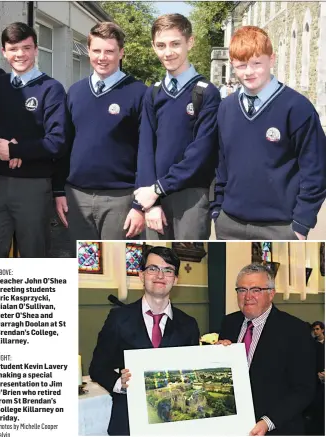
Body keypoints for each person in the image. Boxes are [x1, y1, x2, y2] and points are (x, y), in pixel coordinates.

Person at [212, 26, 326, 240]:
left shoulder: (297, 108)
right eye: (241, 65)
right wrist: (217, 208)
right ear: (233, 65)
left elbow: (316, 169)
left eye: (257, 63)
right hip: (229, 223)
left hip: (280, 227)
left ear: (271, 59)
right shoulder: (226, 108)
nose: (248, 72)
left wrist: (302, 223)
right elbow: (220, 163)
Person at [0, 22, 68, 258]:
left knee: (33, 256)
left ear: (36, 50)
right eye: (13, 49)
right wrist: (4, 143)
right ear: (4, 53)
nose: (20, 54)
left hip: (33, 186)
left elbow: (57, 141)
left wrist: (18, 151)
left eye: (26, 48)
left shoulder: (52, 89)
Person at [89, 246, 200, 435]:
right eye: (153, 269)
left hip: (173, 422)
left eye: (168, 270)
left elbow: (193, 373)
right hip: (128, 421)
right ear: (141, 276)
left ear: (176, 279)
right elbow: (97, 367)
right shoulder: (118, 319)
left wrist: (222, 354)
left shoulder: (189, 324)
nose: (160, 275)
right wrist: (119, 384)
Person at [52, 22, 146, 240]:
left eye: (109, 51)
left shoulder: (139, 93)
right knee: (83, 268)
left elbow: (146, 152)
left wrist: (139, 205)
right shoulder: (75, 92)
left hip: (120, 199)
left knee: (116, 263)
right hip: (76, 197)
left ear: (121, 52)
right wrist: (59, 190)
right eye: (96, 50)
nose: (102, 57)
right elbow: (64, 145)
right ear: (89, 51)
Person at [134, 14, 220, 240]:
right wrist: (150, 201)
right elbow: (145, 148)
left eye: (175, 44)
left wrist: (158, 189)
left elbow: (200, 153)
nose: (168, 52)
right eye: (161, 45)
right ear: (153, 47)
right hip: (155, 199)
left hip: (191, 197)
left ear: (190, 42)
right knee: (156, 254)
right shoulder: (152, 93)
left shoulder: (205, 92)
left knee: (186, 257)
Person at [219, 263, 316, 436]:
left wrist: (268, 422)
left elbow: (304, 389)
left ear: (271, 294)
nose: (248, 296)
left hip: (277, 427)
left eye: (256, 290)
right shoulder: (229, 323)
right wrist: (218, 357)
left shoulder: (295, 330)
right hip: (233, 425)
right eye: (242, 290)